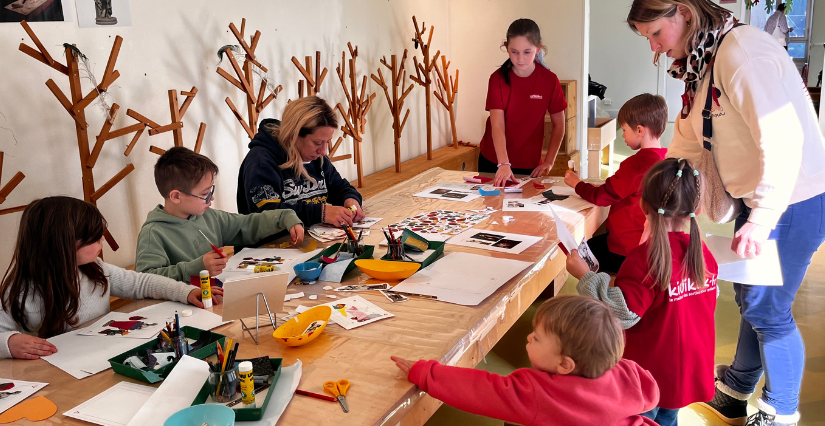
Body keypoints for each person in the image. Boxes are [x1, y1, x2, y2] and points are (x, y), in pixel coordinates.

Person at [627, 1, 825, 424]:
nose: (656, 51)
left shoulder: (740, 54)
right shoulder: (703, 65)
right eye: (647, 41)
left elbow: (783, 137)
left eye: (656, 35)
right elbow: (684, 147)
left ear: (683, 12)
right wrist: (657, 214)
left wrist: (762, 217)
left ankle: (781, 411)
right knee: (750, 299)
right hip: (758, 198)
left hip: (790, 199)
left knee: (768, 309)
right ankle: (736, 388)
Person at [569, 158, 719, 426]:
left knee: (640, 419)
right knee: (667, 418)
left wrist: (585, 276)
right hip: (686, 369)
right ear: (694, 209)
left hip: (650, 373)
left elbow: (622, 312)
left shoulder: (645, 259)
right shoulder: (702, 253)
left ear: (642, 204)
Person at [0, 197, 223, 360]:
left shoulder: (94, 269)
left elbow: (141, 283)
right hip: (59, 371)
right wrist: (9, 343)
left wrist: (184, 291)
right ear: (60, 245)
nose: (101, 243)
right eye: (94, 239)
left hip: (107, 356)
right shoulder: (18, 291)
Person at [391, 295, 660, 426]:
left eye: (538, 338)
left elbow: (482, 389)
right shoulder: (625, 373)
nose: (529, 338)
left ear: (565, 365)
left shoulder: (540, 393)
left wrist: (425, 373)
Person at [136, 147, 304, 281]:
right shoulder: (153, 234)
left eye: (211, 190)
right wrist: (194, 269)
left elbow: (247, 225)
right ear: (176, 196)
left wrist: (284, 217)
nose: (211, 197)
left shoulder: (208, 216)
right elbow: (145, 280)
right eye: (204, 194)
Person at [564, 94, 668, 273]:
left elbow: (602, 197)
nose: (623, 136)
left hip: (625, 247)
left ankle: (598, 294)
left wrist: (576, 184)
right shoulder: (667, 159)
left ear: (640, 131)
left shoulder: (637, 164)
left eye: (624, 130)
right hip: (650, 245)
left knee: (579, 255)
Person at [237, 96, 364, 230]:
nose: (323, 151)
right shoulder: (260, 162)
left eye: (327, 142)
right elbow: (267, 215)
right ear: (294, 134)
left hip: (307, 241)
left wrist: (351, 200)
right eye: (318, 143)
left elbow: (341, 187)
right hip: (267, 248)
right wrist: (321, 213)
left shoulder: (317, 158)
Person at [478, 18, 568, 187]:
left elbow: (559, 125)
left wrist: (549, 161)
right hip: (494, 161)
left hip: (530, 164)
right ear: (506, 48)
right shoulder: (497, 79)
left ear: (538, 49)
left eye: (527, 52)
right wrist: (503, 164)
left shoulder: (550, 80)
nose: (520, 59)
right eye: (514, 51)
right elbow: (497, 125)